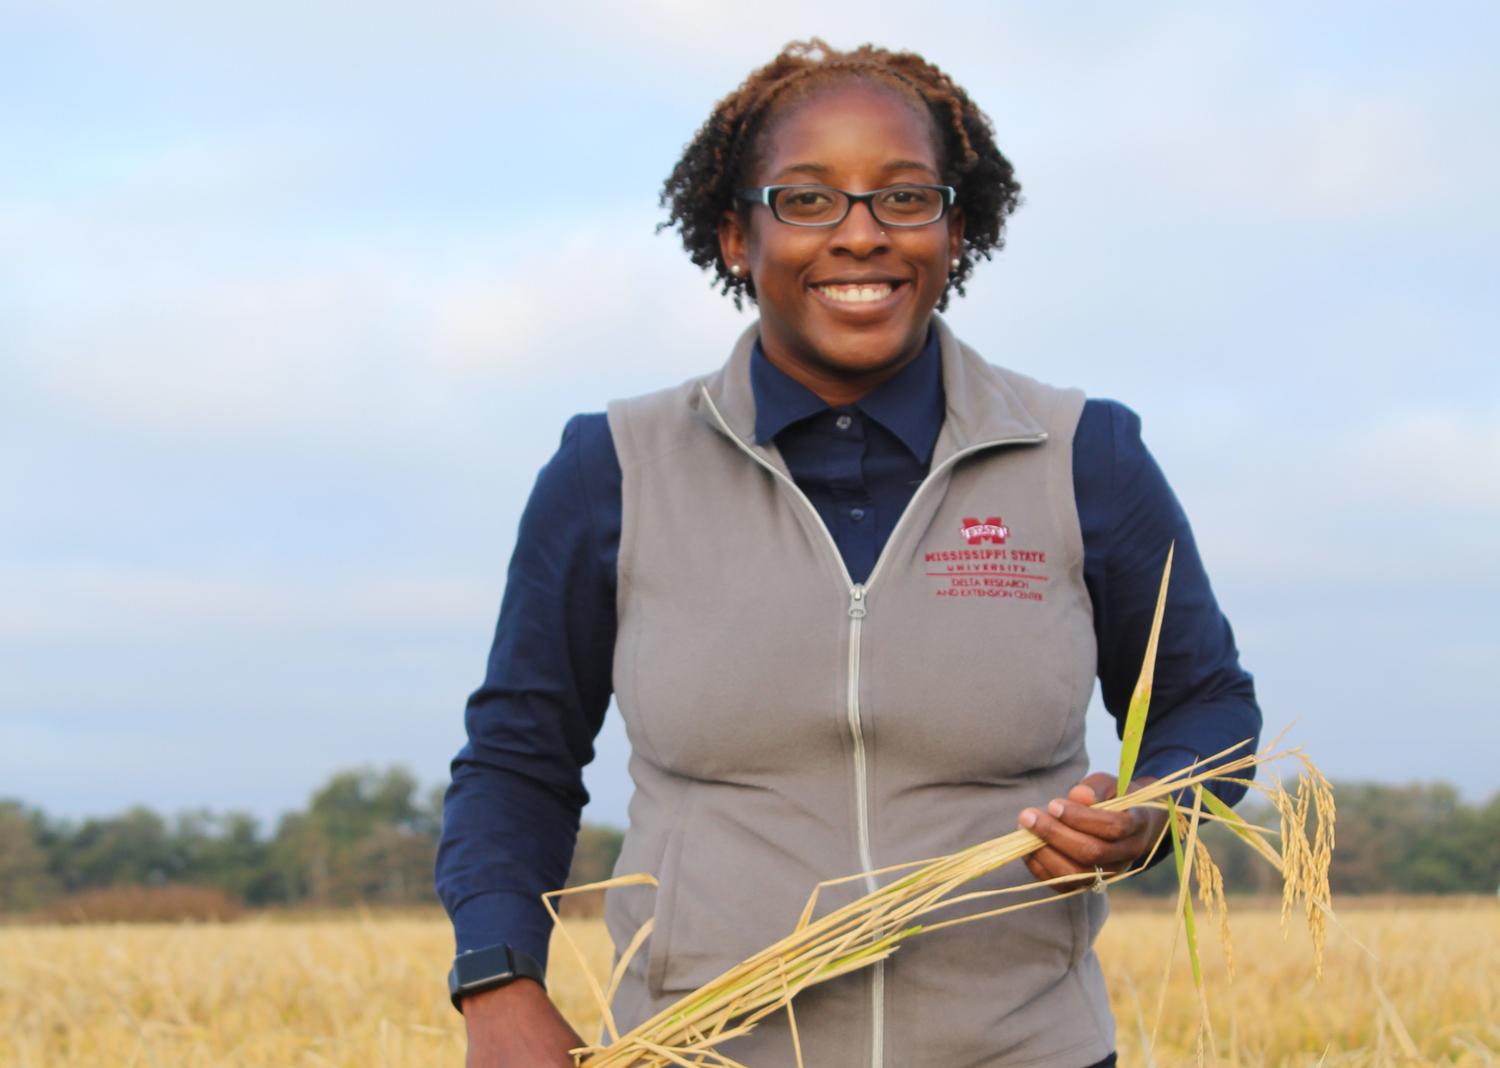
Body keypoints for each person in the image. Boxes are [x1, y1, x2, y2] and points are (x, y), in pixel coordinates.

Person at [436, 40, 1260, 1068]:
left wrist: (1149, 817)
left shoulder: (1083, 456)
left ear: (957, 230)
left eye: (906, 198)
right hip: (694, 1053)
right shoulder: (612, 468)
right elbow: (520, 757)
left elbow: (1209, 705)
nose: (863, 236)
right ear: (737, 235)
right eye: (810, 200)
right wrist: (499, 980)